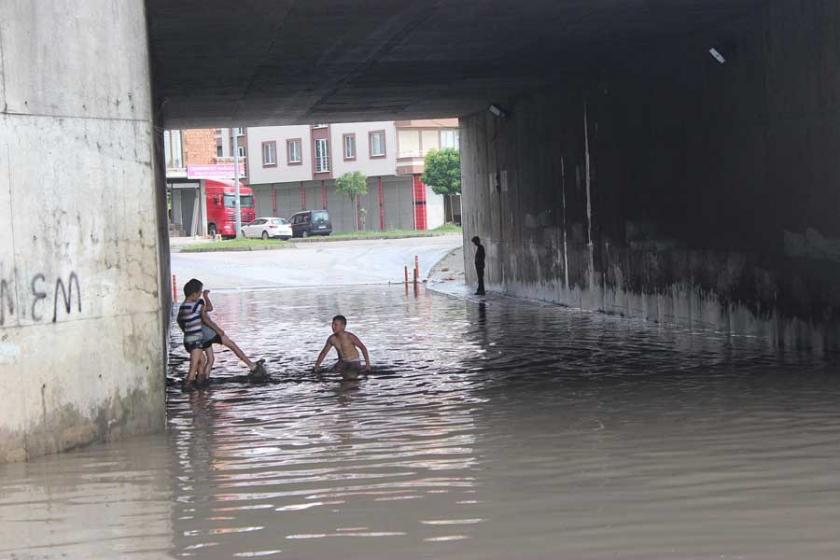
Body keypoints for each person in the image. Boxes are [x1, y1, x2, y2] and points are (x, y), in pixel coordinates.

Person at [177, 278, 265, 389]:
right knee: (230, 344)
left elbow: (180, 321)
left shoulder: (183, 307)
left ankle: (202, 382)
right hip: (207, 332)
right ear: (195, 294)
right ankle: (252, 366)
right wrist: (217, 329)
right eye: (199, 293)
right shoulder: (198, 304)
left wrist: (187, 332)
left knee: (205, 360)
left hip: (195, 336)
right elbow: (206, 318)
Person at [313, 315, 371, 380]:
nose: (333, 327)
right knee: (327, 373)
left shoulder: (350, 336)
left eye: (335, 325)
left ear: (343, 326)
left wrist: (367, 365)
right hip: (342, 361)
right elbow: (324, 352)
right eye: (332, 324)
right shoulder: (332, 339)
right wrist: (317, 365)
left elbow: (363, 348)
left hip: (353, 361)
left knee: (350, 376)